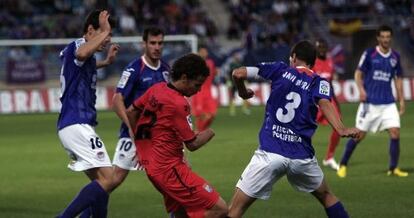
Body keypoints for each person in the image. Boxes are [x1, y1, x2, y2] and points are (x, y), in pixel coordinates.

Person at [227, 40, 360, 218]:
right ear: (313, 62)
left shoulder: (280, 69)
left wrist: (242, 92)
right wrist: (341, 129)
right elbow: (325, 104)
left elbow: (238, 73)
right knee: (327, 196)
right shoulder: (319, 82)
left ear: (294, 57)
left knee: (235, 210)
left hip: (270, 154)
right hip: (301, 158)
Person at [126, 53, 228, 218]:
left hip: (153, 168)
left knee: (180, 213)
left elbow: (131, 112)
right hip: (170, 170)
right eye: (197, 85)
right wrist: (210, 132)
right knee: (221, 209)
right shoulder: (179, 103)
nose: (199, 90)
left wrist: (140, 146)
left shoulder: (156, 88)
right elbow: (192, 144)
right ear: (184, 78)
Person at [56, 10, 119, 218]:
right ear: (90, 30)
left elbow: (85, 62)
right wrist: (105, 29)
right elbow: (81, 54)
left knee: (101, 186)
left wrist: (106, 63)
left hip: (75, 124)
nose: (107, 39)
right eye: (104, 34)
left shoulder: (88, 58)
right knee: (109, 179)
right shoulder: (78, 45)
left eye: (109, 36)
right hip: (76, 123)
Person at [337, 25, 408, 178]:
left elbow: (398, 79)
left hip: (388, 103)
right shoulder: (370, 54)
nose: (386, 39)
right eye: (383, 37)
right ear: (378, 38)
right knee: (359, 135)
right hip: (370, 103)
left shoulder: (395, 56)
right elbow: (358, 73)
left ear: (391, 38)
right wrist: (361, 90)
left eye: (388, 37)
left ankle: (393, 168)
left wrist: (401, 100)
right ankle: (343, 164)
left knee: (395, 132)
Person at [111, 27, 169, 188]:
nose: (157, 47)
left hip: (159, 135)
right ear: (144, 44)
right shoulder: (135, 69)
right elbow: (116, 101)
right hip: (133, 134)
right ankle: (86, 211)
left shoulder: (166, 70)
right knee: (113, 180)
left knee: (174, 179)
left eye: (160, 43)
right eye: (152, 43)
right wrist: (131, 128)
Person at [312, 38, 342, 171]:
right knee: (305, 128)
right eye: (319, 47)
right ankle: (295, 153)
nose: (322, 50)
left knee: (338, 126)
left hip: (329, 100)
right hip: (314, 101)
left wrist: (336, 102)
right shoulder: (311, 63)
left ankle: (329, 157)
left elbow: (329, 84)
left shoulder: (330, 62)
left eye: (324, 48)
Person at [191, 46, 218, 131]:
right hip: (199, 93)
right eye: (202, 51)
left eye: (205, 51)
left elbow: (214, 73)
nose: (204, 53)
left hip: (208, 93)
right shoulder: (195, 63)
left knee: (213, 114)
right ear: (199, 52)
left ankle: (199, 131)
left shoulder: (210, 62)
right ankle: (198, 132)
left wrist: (216, 72)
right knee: (201, 115)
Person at [227, 52, 250, 116]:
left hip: (240, 82)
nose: (237, 58)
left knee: (244, 95)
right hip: (234, 82)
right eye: (236, 57)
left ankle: (244, 109)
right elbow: (229, 74)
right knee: (233, 96)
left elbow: (243, 74)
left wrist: (245, 81)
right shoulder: (232, 65)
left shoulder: (239, 64)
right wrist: (229, 81)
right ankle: (232, 111)